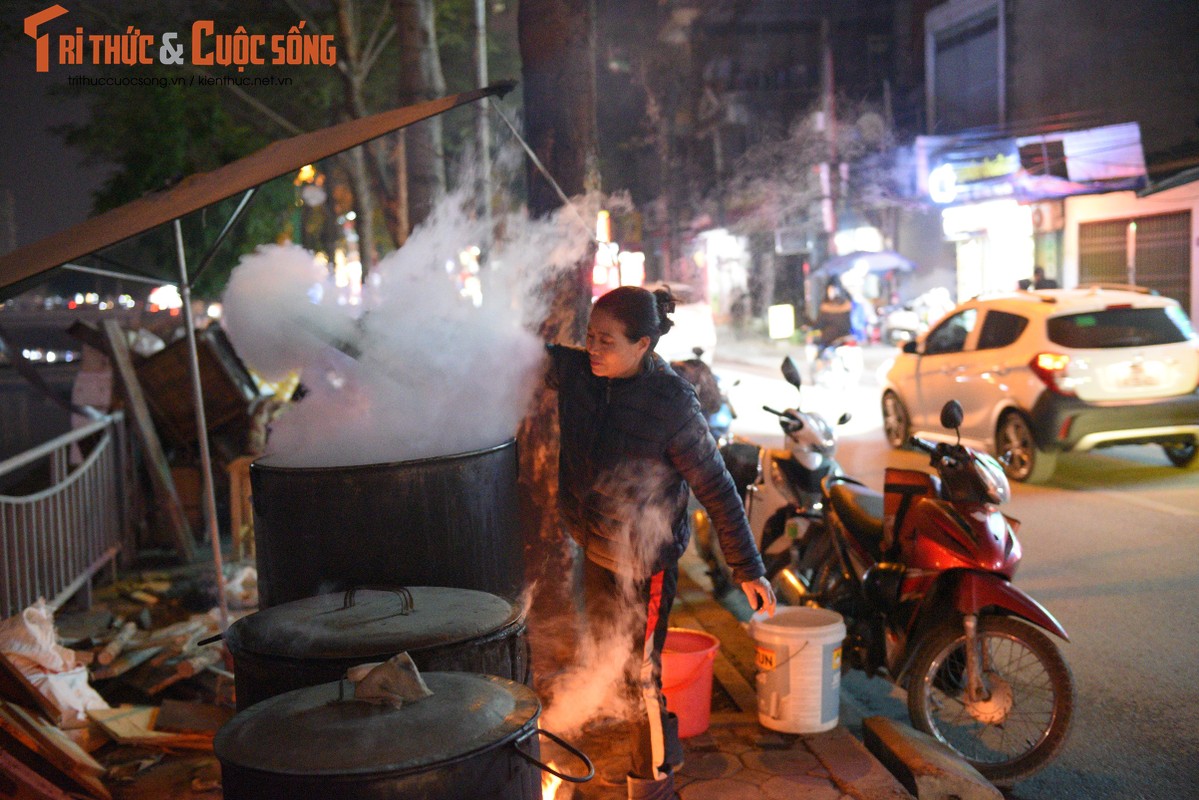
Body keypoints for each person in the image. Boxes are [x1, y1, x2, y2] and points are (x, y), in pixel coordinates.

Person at [545, 285, 776, 800]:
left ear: (643, 344)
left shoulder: (672, 405)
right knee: (610, 662)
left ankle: (655, 784)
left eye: (607, 340)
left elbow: (716, 488)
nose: (593, 349)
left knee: (640, 673)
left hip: (645, 565)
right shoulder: (581, 373)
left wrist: (748, 569)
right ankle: (638, 751)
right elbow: (517, 360)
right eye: (589, 337)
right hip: (597, 548)